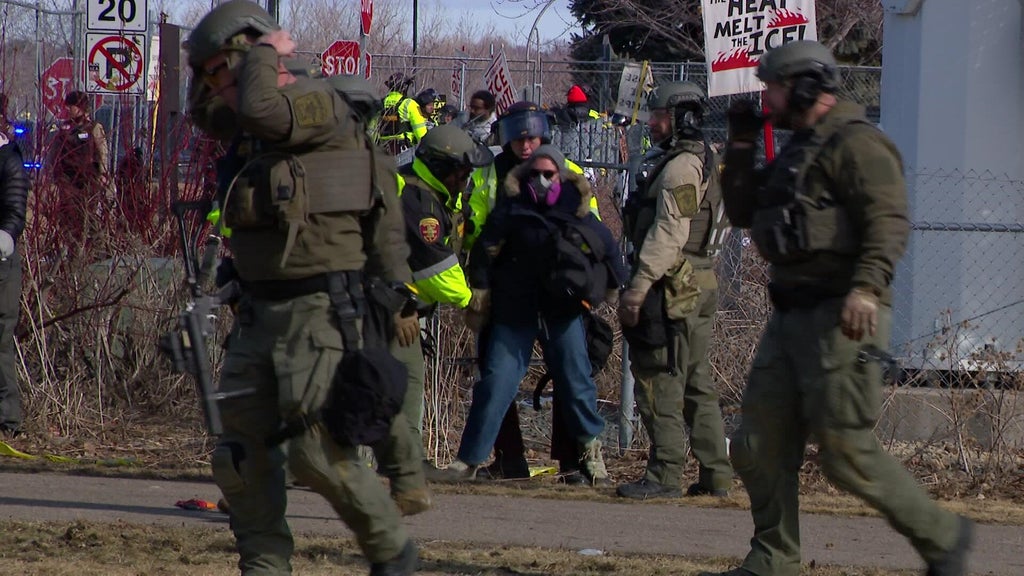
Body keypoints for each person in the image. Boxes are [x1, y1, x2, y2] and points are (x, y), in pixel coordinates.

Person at [698, 40, 972, 576]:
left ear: (804, 86)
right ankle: (773, 558)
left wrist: (867, 287)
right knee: (757, 443)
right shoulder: (798, 148)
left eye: (773, 86)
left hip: (841, 319)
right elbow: (745, 211)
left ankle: (944, 537)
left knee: (845, 453)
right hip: (789, 318)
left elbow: (888, 221)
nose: (766, 96)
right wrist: (741, 143)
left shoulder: (857, 144)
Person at [184, 2, 417, 574]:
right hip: (258, 312)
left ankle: (393, 554)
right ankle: (265, 567)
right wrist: (206, 68)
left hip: (317, 308)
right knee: (239, 458)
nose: (217, 86)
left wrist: (264, 49)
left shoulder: (314, 102)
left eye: (222, 70)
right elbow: (206, 114)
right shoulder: (250, 125)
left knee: (316, 454)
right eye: (208, 74)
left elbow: (263, 106)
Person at [438, 145, 626, 485]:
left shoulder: (578, 210)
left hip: (562, 311)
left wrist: (612, 292)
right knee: (497, 382)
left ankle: (591, 457)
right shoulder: (511, 210)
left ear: (561, 176)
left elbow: (608, 249)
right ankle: (468, 460)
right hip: (515, 310)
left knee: (577, 381)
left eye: (548, 174)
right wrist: (480, 295)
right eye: (534, 174)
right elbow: (483, 251)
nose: (541, 180)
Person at [461, 101, 596, 480]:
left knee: (572, 375)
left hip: (558, 292)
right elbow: (476, 224)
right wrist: (479, 281)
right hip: (507, 291)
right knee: (496, 375)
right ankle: (509, 460)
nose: (524, 144)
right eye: (518, 137)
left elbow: (592, 225)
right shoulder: (492, 172)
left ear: (544, 136)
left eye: (531, 137)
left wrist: (585, 279)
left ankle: (575, 464)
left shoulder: (564, 171)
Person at [616, 81, 733, 500]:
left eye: (659, 114)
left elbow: (669, 231)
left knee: (659, 376)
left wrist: (639, 286)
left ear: (679, 116)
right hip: (699, 278)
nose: (652, 122)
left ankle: (665, 473)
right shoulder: (708, 158)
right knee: (696, 381)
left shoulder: (682, 166)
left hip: (674, 283)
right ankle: (716, 476)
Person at [393, 123, 491, 460]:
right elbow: (435, 267)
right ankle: (407, 464)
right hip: (388, 305)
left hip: (401, 304)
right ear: (441, 168)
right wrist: (471, 301)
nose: (466, 179)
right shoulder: (416, 200)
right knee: (405, 380)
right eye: (461, 172)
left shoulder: (438, 194)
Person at [0, 126, 28, 439]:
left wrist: (5, 236)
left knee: (0, 337)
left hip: (1, 262)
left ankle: (6, 422)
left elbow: (15, 209)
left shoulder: (8, 160)